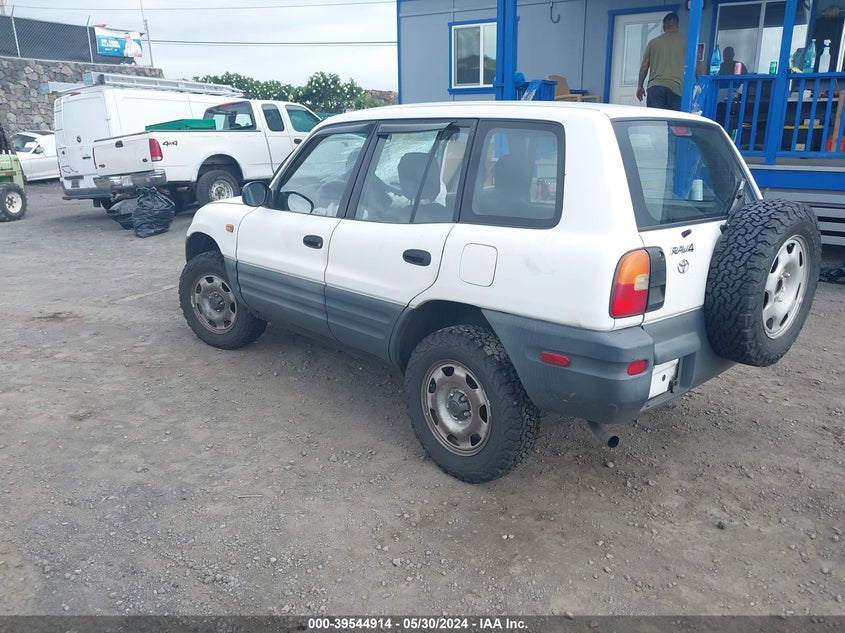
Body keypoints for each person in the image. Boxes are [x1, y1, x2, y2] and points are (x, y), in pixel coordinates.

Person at [636, 12, 686, 110]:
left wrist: (640, 86)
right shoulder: (687, 41)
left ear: (664, 27)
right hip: (676, 88)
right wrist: (699, 82)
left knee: (655, 122)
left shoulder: (653, 42)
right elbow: (696, 62)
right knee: (675, 123)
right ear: (678, 25)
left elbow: (644, 66)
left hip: (655, 87)